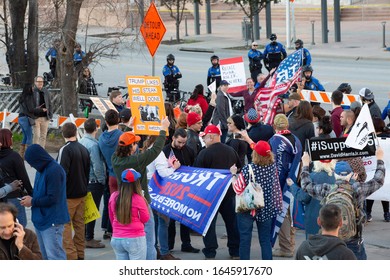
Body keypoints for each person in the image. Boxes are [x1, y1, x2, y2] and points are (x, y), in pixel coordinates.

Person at [300, 148, 385, 260]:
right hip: (353, 241)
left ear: (334, 175)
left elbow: (306, 185)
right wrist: (380, 159)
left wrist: (305, 164)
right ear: (350, 175)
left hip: (331, 242)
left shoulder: (327, 189)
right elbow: (378, 180)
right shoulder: (357, 189)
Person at [111, 117, 170, 260]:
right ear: (131, 147)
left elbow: (120, 145)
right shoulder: (136, 161)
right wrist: (163, 129)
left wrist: (128, 129)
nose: (137, 145)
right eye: (135, 143)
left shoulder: (115, 158)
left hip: (123, 201)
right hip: (140, 200)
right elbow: (155, 150)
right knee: (149, 240)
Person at [194, 124, 241, 260]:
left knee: (208, 225)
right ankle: (235, 251)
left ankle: (210, 252)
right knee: (232, 223)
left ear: (211, 137)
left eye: (205, 138)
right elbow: (238, 168)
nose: (204, 141)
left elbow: (197, 175)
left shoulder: (204, 153)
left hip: (210, 196)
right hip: (228, 193)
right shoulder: (231, 151)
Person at [230, 140, 282, 260]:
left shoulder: (248, 168)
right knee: (265, 240)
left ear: (255, 154)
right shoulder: (273, 167)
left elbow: (238, 189)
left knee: (245, 240)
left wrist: (233, 175)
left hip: (247, 208)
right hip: (266, 208)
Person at [22, 144, 70, 260]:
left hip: (52, 221)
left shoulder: (54, 170)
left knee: (55, 257)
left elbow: (53, 198)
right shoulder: (41, 169)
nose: (31, 166)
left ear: (38, 158)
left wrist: (32, 201)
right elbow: (39, 192)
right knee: (44, 257)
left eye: (32, 162)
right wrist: (28, 195)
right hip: (41, 220)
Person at [269, 114, 302, 258]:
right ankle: (290, 245)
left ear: (275, 126)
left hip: (279, 184)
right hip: (294, 181)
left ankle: (286, 248)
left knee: (282, 215)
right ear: (287, 125)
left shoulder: (274, 141)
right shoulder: (296, 140)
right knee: (291, 214)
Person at [162, 128, 199, 255]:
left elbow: (194, 168)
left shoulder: (188, 150)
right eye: (179, 142)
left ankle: (186, 244)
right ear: (173, 138)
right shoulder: (165, 151)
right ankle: (169, 244)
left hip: (185, 189)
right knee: (171, 219)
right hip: (170, 188)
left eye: (184, 142)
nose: (181, 145)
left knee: (185, 218)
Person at [57, 123, 90, 260]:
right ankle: (80, 254)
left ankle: (71, 256)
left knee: (65, 227)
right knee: (80, 226)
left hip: (68, 195)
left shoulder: (65, 150)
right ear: (76, 132)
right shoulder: (83, 148)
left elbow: (60, 174)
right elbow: (88, 171)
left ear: (63, 134)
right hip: (82, 193)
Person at [146, 136, 181, 260]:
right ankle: (165, 252)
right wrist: (174, 168)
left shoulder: (148, 149)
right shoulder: (158, 153)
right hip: (158, 186)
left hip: (149, 186)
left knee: (154, 221)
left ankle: (155, 249)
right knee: (163, 221)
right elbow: (163, 173)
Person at [287, 160, 336, 239]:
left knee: (313, 247)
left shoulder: (312, 177)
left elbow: (303, 197)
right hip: (333, 220)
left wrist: (292, 185)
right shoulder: (336, 177)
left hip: (314, 220)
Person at [109, 168, 150, 260]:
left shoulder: (114, 196)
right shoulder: (139, 199)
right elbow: (145, 218)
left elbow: (111, 216)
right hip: (135, 238)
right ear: (136, 183)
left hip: (117, 238)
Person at [79, 118, 106, 248]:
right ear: (96, 128)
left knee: (86, 210)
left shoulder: (81, 142)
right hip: (94, 181)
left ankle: (84, 236)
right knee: (93, 210)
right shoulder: (94, 145)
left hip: (83, 180)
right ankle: (88, 237)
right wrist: (102, 180)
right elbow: (97, 165)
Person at [0, 129, 33, 228]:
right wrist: (31, 193)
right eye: (11, 137)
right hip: (14, 196)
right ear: (8, 140)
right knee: (20, 225)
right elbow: (23, 177)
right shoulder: (14, 156)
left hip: (2, 195)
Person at [99, 109, 123, 240]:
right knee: (123, 204)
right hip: (121, 174)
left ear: (106, 122)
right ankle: (120, 229)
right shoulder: (121, 135)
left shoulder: (101, 137)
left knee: (112, 203)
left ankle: (112, 229)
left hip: (110, 174)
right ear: (118, 120)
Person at [365, 117, 390, 222]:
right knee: (384, 192)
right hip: (387, 170)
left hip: (373, 169)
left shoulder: (371, 140)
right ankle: (386, 213)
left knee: (371, 192)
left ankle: (368, 213)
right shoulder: (388, 138)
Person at [32, 76, 53, 148]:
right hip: (36, 117)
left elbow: (50, 103)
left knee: (43, 136)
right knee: (36, 135)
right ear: (35, 83)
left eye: (41, 82)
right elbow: (30, 106)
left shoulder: (46, 91)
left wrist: (50, 115)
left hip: (45, 117)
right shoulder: (32, 92)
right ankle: (35, 151)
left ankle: (42, 151)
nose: (40, 83)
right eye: (38, 81)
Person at [18, 83, 35, 158]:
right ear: (29, 88)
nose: (33, 89)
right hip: (25, 118)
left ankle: (21, 154)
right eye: (32, 87)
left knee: (25, 136)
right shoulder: (29, 97)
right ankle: (29, 155)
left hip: (20, 118)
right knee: (29, 137)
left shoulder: (21, 97)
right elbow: (30, 109)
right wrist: (37, 109)